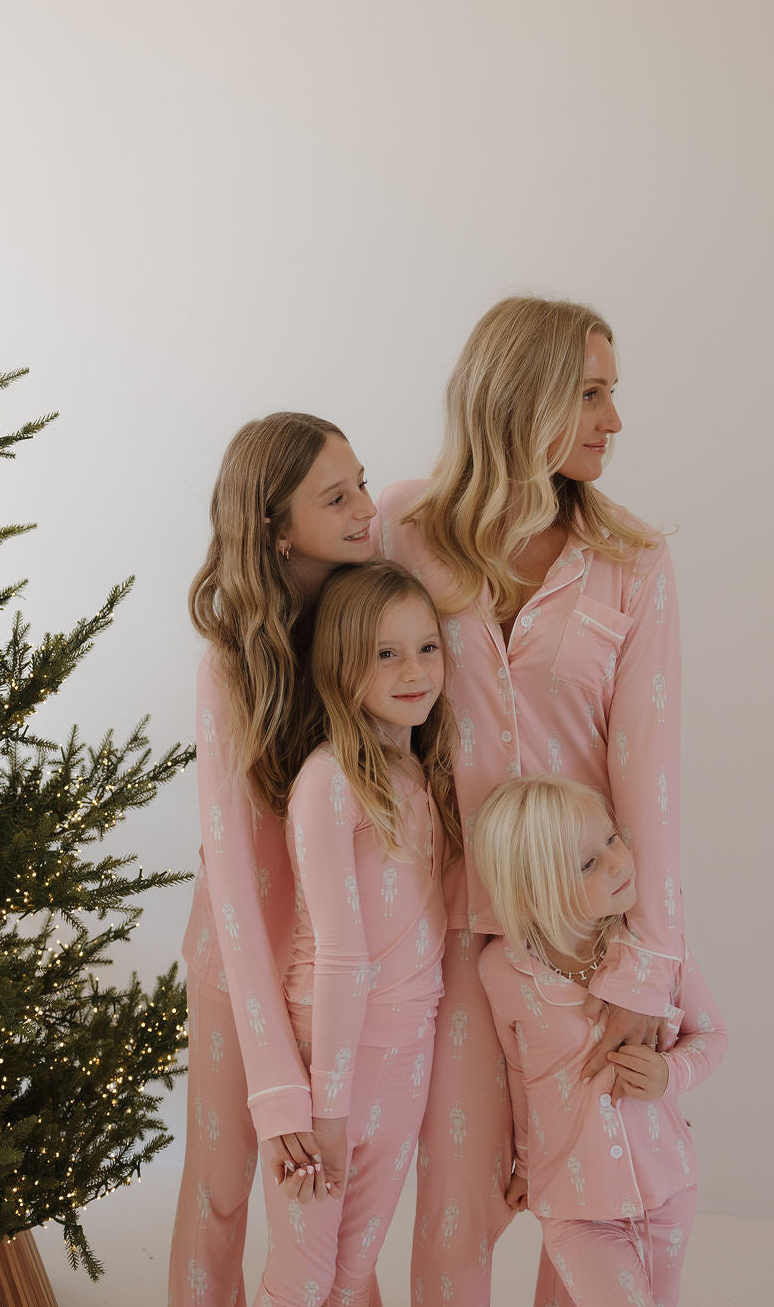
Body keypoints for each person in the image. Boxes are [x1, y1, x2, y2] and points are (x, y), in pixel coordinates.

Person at [376, 296, 683, 1307]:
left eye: (610, 393)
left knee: (587, 1207)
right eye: (591, 393)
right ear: (523, 395)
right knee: (455, 1209)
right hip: (452, 925)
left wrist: (646, 974)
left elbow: (652, 779)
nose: (613, 420)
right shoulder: (404, 531)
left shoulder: (632, 561)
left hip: (585, 938)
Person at [169, 412, 378, 1307]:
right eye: (338, 497)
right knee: (221, 1192)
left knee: (332, 1206)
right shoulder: (229, 670)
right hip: (241, 968)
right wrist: (275, 1087)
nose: (367, 509)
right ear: (276, 527)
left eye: (363, 484)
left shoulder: (371, 625)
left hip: (343, 969)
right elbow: (233, 888)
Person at [255, 560, 461, 1307]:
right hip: (330, 1058)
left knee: (350, 1276)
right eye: (386, 654)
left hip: (408, 1054)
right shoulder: (329, 780)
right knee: (302, 1280)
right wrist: (328, 1112)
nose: (414, 671)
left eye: (427, 647)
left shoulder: (423, 776)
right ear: (342, 666)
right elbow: (340, 955)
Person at [472, 776, 725, 1306]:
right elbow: (521, 1078)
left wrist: (669, 1074)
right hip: (574, 1203)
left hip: (667, 1186)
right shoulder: (502, 971)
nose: (618, 862)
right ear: (534, 891)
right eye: (588, 863)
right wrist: (524, 1165)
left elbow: (711, 1036)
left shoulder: (655, 952)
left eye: (612, 839)